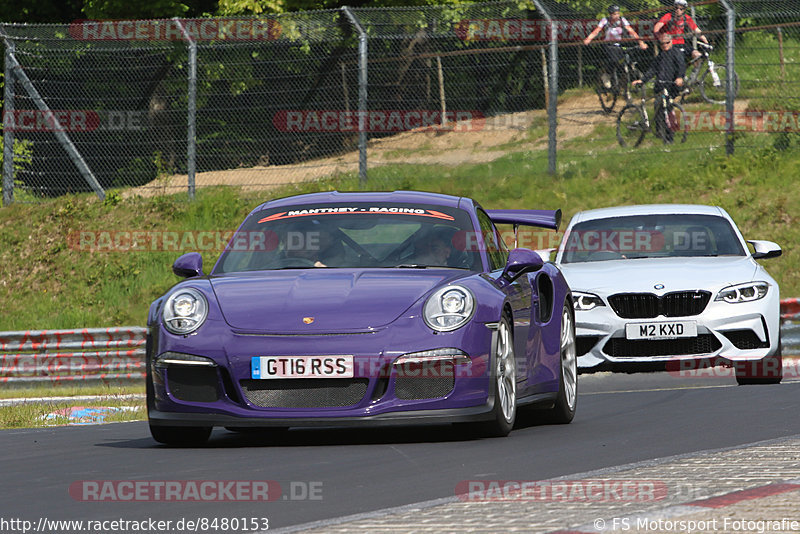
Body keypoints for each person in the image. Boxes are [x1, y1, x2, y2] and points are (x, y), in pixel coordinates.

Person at [632, 32, 685, 143]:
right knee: (658, 107)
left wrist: (680, 77)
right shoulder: (660, 56)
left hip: (671, 86)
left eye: (667, 43)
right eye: (662, 44)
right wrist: (642, 80)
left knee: (668, 108)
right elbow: (653, 70)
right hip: (660, 86)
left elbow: (681, 66)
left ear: (671, 42)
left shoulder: (676, 53)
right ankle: (660, 133)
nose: (664, 45)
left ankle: (669, 136)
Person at [583, 4, 648, 89]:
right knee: (614, 60)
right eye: (614, 14)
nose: (617, 16)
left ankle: (625, 80)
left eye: (618, 13)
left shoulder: (622, 20)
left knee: (628, 56)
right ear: (610, 14)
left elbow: (631, 31)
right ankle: (607, 75)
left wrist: (641, 42)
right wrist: (588, 39)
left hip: (619, 45)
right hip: (608, 45)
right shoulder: (605, 20)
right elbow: (597, 31)